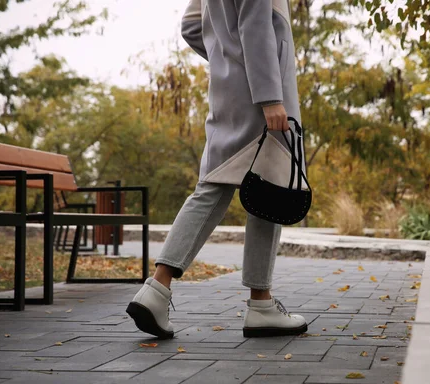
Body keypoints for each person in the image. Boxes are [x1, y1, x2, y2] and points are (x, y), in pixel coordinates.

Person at [126, 0, 307, 339]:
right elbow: (256, 26)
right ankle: (262, 305)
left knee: (212, 185)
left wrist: (227, 60)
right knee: (272, 184)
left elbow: (192, 25)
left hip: (229, 91)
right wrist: (270, 96)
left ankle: (155, 290)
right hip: (260, 94)